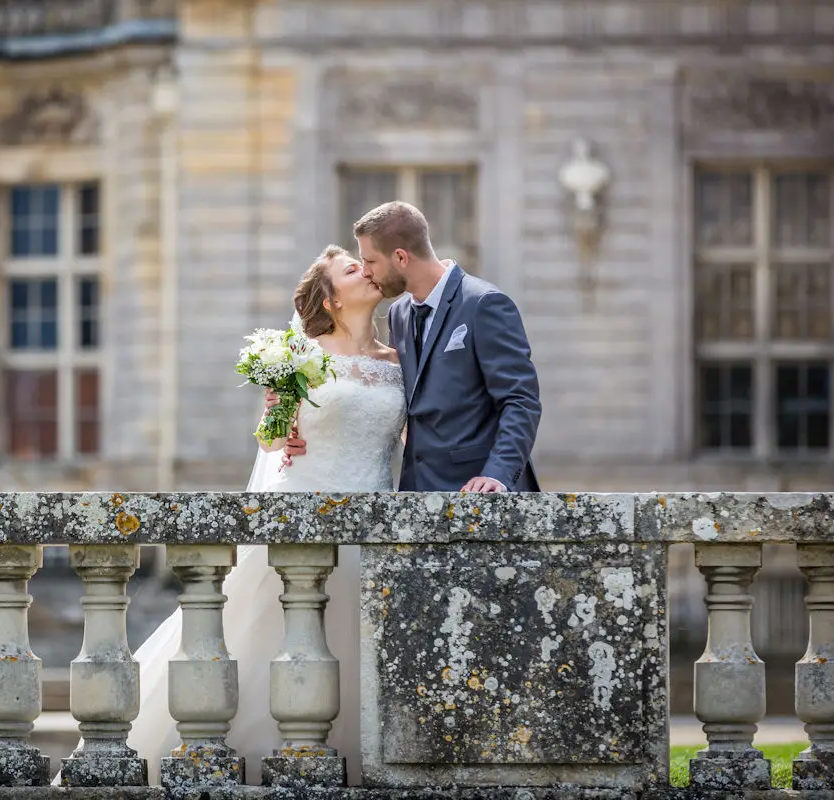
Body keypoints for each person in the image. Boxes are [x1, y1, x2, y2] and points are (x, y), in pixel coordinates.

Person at [55, 244, 404, 787]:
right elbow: (270, 440)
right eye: (352, 268)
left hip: (375, 520)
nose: (369, 271)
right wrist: (277, 421)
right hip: (306, 509)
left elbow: (413, 435)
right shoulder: (299, 354)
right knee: (269, 642)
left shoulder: (398, 362)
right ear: (331, 298)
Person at [286, 200, 542, 493]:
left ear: (400, 257)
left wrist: (497, 474)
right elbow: (406, 402)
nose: (366, 272)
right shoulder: (400, 314)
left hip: (479, 492)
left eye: (369, 261)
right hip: (415, 494)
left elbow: (520, 398)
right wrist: (305, 427)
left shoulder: (484, 304)